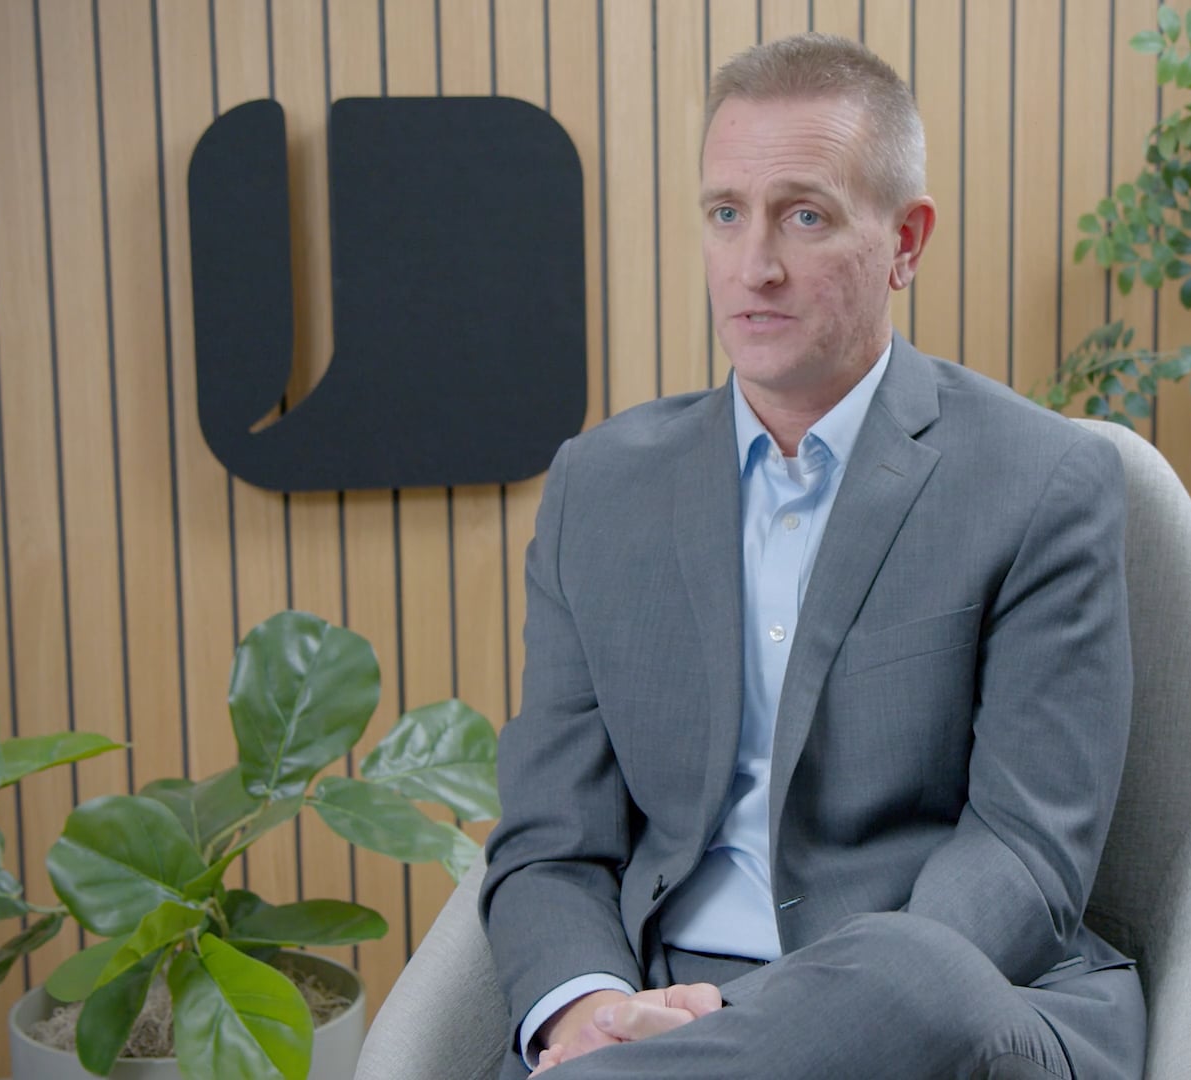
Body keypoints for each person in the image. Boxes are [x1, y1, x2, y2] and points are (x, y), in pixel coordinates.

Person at [479, 32, 1144, 1080]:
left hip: (945, 997)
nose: (756, 266)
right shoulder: (597, 490)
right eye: (726, 214)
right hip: (664, 999)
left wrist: (752, 1025)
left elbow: (1027, 855)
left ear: (905, 243)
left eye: (805, 216)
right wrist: (593, 1014)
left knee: (910, 975)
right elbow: (551, 841)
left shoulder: (1041, 480)